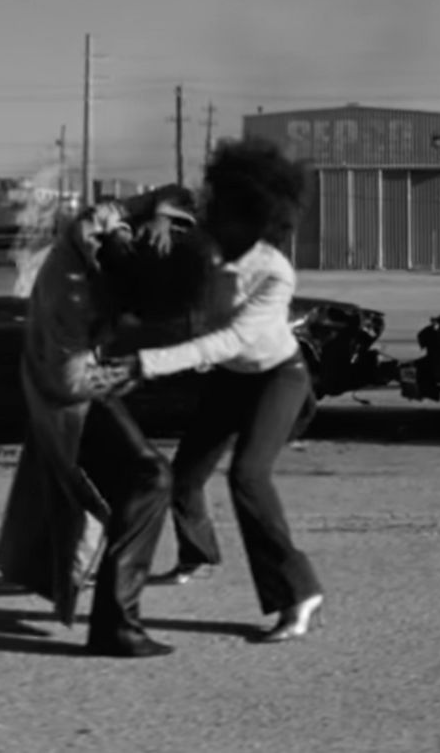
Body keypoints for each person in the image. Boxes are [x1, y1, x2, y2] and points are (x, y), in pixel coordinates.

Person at [108, 138, 324, 645]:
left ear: (256, 220)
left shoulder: (274, 272)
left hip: (277, 376)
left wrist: (145, 363)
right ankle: (198, 554)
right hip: (232, 377)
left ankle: (298, 592)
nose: (213, 222)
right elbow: (175, 193)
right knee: (184, 475)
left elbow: (230, 339)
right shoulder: (210, 237)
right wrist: (160, 216)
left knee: (249, 477)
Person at [0, 188, 194, 659]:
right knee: (149, 479)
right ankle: (115, 625)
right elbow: (71, 378)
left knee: (138, 486)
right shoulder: (83, 278)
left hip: (70, 385)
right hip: (69, 396)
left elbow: (153, 205)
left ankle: (111, 613)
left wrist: (162, 216)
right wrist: (128, 371)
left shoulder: (106, 242)